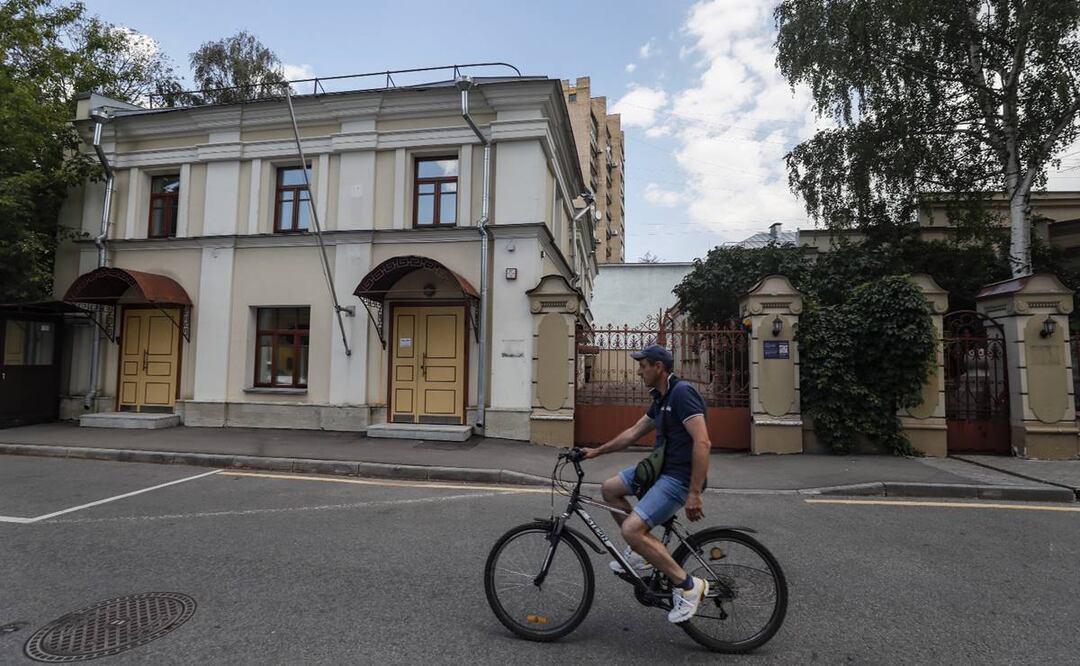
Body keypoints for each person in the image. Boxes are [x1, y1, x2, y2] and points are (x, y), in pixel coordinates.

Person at [582, 344, 711, 624]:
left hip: (679, 478)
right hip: (660, 470)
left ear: (659, 368)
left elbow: (702, 442)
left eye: (643, 366)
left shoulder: (682, 394)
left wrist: (694, 492)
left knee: (631, 529)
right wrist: (595, 451)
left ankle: (689, 586)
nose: (639, 371)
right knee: (609, 488)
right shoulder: (661, 398)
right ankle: (641, 554)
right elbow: (632, 433)